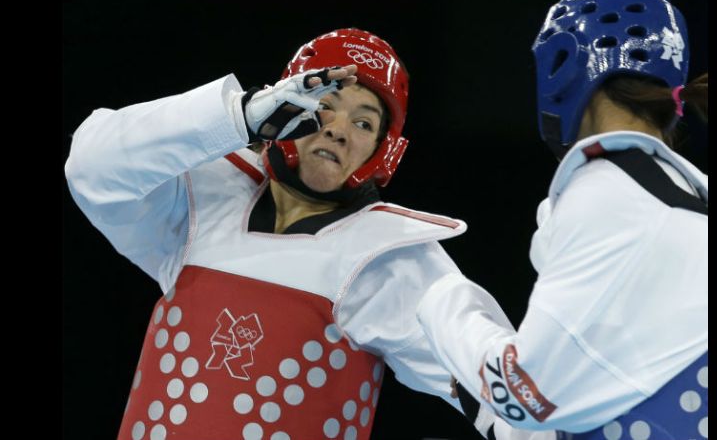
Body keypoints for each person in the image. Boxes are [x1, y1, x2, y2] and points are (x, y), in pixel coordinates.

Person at [65, 28, 552, 440]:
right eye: (325, 103)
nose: (340, 129)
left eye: (364, 122)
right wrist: (238, 116)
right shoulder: (201, 202)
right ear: (282, 107)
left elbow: (514, 398)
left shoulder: (389, 258)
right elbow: (91, 166)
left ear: (382, 154)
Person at [416, 0, 708, 439]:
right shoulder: (683, 200)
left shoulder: (610, 192)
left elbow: (524, 394)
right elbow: (598, 391)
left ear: (564, 66)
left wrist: (439, 300)